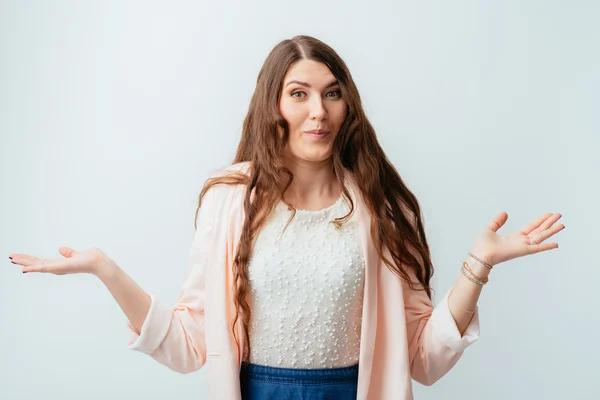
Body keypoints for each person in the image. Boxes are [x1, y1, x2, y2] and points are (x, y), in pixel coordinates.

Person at [9, 35, 565, 400]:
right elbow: (188, 344)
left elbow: (423, 358)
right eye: (298, 94)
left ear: (348, 106)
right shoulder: (229, 203)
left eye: (332, 94)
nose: (317, 111)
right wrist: (106, 269)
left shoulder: (383, 208)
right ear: (273, 103)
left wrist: (478, 267)